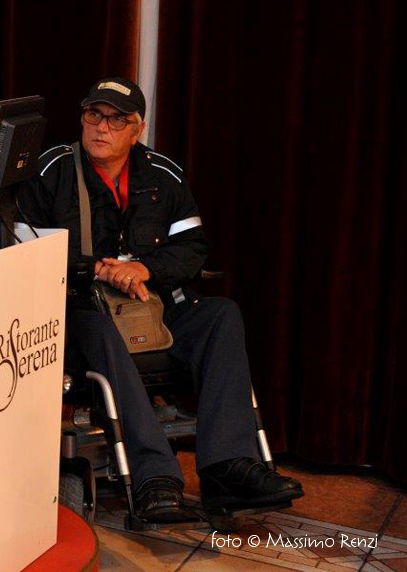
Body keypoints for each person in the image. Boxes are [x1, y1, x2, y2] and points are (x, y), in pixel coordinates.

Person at [18, 76, 302, 521]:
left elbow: (193, 249)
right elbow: (21, 244)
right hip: (81, 310)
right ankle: (155, 478)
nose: (102, 127)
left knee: (221, 314)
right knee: (97, 327)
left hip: (156, 308)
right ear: (82, 119)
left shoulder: (163, 175)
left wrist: (145, 268)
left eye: (117, 119)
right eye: (94, 114)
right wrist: (97, 268)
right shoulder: (50, 170)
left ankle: (227, 467)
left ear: (138, 129)